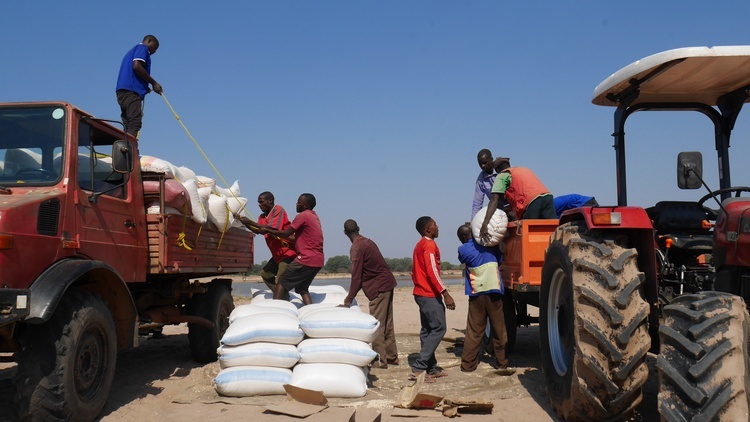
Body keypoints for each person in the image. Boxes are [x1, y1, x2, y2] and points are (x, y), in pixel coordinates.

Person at [340, 219, 399, 369]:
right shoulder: (368, 242)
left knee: (377, 325)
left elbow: (357, 277)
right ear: (358, 228)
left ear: (345, 233)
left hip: (378, 288)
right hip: (387, 284)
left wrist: (348, 300)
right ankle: (392, 357)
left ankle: (380, 360)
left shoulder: (357, 248)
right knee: (387, 323)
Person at [456, 224, 510, 372]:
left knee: (474, 331)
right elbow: (499, 260)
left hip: (476, 292)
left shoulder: (463, 249)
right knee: (499, 329)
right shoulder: (491, 245)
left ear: (462, 238)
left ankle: (468, 365)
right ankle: (502, 363)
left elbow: (464, 260)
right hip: (494, 291)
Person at [410, 216, 455, 381]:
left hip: (420, 293)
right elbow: (432, 271)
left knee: (427, 330)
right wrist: (445, 293)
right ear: (428, 229)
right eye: (435, 225)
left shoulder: (419, 245)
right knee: (439, 328)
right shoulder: (429, 245)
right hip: (428, 294)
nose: (438, 227)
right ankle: (419, 367)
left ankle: (431, 368)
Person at [257, 193, 323, 306]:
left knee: (282, 281)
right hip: (318, 260)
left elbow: (287, 233)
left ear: (305, 206)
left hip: (305, 258)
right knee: (302, 289)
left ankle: (278, 308)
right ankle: (310, 310)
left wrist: (269, 231)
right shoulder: (314, 216)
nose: (296, 204)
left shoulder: (302, 216)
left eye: (299, 202)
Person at [480, 157, 555, 241]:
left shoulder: (502, 176)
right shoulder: (523, 170)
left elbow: (494, 200)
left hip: (533, 201)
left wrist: (485, 224)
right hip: (547, 196)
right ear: (508, 165)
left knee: (526, 235)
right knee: (553, 231)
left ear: (497, 170)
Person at [236, 192, 297, 290]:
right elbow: (259, 230)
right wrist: (243, 222)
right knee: (265, 274)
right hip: (277, 255)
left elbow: (271, 228)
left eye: (261, 202)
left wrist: (249, 222)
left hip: (288, 253)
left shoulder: (278, 209)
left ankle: (281, 298)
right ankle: (280, 295)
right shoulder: (262, 217)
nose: (259, 205)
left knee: (280, 281)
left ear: (270, 201)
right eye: (258, 203)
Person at [116, 35, 163, 138]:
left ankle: (125, 147)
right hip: (131, 91)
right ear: (149, 41)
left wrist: (144, 87)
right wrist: (154, 83)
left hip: (123, 91)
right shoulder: (142, 48)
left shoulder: (132, 51)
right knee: (135, 121)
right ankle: (129, 149)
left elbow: (133, 73)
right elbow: (137, 66)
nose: (154, 52)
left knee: (127, 123)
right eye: (154, 48)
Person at [472, 149, 506, 220]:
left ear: (491, 159)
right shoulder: (481, 180)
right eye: (480, 164)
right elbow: (477, 203)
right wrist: (474, 221)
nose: (483, 166)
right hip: (498, 209)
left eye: (485, 163)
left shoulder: (503, 169)